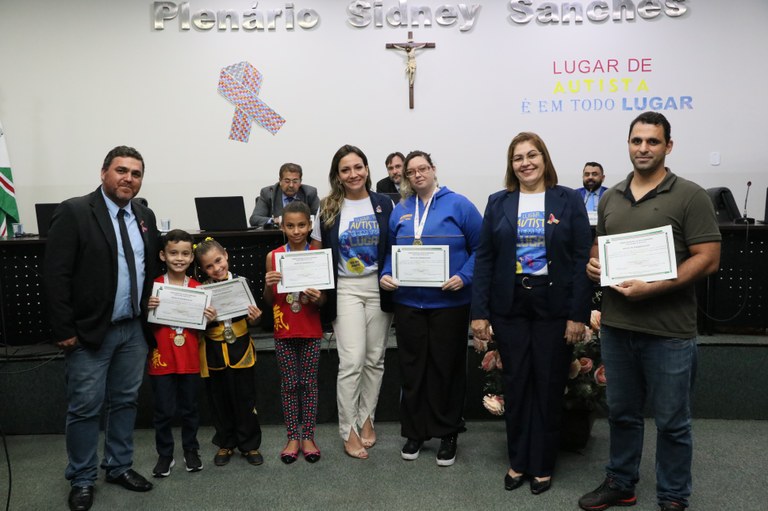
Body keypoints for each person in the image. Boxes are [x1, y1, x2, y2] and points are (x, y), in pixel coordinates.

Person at [578, 112, 721, 511]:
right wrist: (595, 265)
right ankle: (621, 483)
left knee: (673, 421)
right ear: (628, 144)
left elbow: (708, 258)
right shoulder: (611, 196)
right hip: (618, 326)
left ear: (668, 146)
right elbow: (599, 248)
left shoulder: (689, 195)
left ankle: (674, 495)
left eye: (653, 142)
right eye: (637, 141)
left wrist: (656, 286)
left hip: (670, 332)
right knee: (622, 414)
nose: (643, 148)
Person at [471, 132, 593, 495]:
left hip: (552, 308)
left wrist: (577, 315)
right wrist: (480, 313)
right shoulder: (499, 202)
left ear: (544, 158)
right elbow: (485, 259)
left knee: (549, 385)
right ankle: (518, 460)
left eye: (531, 155)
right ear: (511, 165)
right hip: (510, 308)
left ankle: (542, 463)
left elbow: (579, 259)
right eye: (517, 157)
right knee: (518, 384)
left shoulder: (567, 199)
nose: (525, 163)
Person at [44, 145, 160, 511]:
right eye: (121, 171)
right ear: (104, 173)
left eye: (136, 173)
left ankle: (118, 466)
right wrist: (64, 328)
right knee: (85, 408)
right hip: (90, 332)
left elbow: (147, 270)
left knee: (125, 402)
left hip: (133, 331)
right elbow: (55, 275)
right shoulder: (76, 211)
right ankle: (81, 477)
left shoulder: (145, 215)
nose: (129, 179)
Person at [379, 150, 482, 466]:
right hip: (409, 302)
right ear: (406, 177)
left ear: (434, 170)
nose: (417, 174)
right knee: (412, 369)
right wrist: (385, 273)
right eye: (411, 171)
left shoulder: (460, 205)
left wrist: (463, 277)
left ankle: (448, 432)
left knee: (446, 368)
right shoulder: (401, 210)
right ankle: (415, 432)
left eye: (423, 168)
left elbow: (482, 249)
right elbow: (391, 252)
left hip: (449, 303)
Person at [310, 144, 394, 460]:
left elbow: (395, 245)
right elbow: (318, 254)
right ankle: (348, 430)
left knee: (375, 358)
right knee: (352, 360)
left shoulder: (384, 204)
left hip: (378, 287)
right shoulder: (328, 207)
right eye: (346, 169)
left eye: (358, 167)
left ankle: (366, 416)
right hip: (345, 288)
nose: (353, 174)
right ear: (338, 175)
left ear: (367, 169)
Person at [146, 229, 216, 477]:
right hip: (161, 358)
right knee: (163, 411)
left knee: (190, 409)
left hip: (189, 358)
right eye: (173, 253)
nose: (179, 258)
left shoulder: (199, 289)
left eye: (185, 254)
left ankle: (190, 450)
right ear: (162, 255)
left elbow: (203, 328)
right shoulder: (152, 287)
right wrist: (147, 308)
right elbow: (143, 324)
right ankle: (165, 455)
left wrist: (209, 318)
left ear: (191, 257)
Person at [263, 201, 326, 464]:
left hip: (311, 328)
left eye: (302, 225)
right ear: (282, 226)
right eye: (290, 225)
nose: (297, 230)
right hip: (284, 328)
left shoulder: (318, 251)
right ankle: (292, 436)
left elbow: (323, 302)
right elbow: (269, 301)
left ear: (310, 225)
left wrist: (317, 297)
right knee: (289, 385)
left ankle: (308, 436)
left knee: (309, 384)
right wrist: (268, 285)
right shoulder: (274, 256)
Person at [194, 237, 264, 467]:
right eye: (209, 266)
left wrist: (256, 319)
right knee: (219, 400)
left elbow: (254, 319)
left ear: (226, 255)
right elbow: (196, 327)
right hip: (214, 351)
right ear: (202, 269)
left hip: (241, 348)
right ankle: (226, 443)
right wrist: (206, 320)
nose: (216, 268)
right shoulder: (201, 290)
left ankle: (250, 445)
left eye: (218, 260)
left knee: (245, 399)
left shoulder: (242, 283)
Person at [249, 163, 320, 228]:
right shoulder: (268, 193)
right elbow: (254, 219)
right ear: (280, 181)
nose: (291, 185)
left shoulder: (309, 193)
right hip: (275, 238)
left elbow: (320, 218)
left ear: (300, 182)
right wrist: (275, 221)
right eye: (287, 181)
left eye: (295, 181)